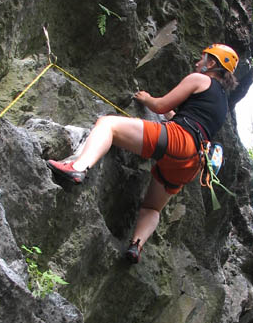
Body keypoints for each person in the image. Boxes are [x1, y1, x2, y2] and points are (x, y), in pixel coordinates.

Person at [47, 44, 239, 263]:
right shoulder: (223, 101)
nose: (197, 63)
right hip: (192, 160)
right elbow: (192, 119)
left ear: (212, 63)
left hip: (178, 139)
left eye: (202, 58)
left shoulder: (200, 79)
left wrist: (147, 98)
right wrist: (169, 113)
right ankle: (136, 245)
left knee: (107, 124)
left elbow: (159, 105)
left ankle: (78, 168)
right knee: (152, 207)